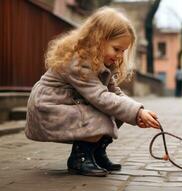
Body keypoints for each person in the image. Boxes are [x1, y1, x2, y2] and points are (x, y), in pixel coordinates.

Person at [25, 7, 160, 177]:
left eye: (123, 51)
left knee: (119, 110)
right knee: (103, 111)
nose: (119, 56)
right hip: (48, 108)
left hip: (69, 104)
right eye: (116, 49)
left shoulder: (102, 62)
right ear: (98, 40)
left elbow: (115, 93)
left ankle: (95, 152)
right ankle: (80, 157)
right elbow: (101, 97)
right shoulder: (78, 62)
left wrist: (137, 111)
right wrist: (136, 111)